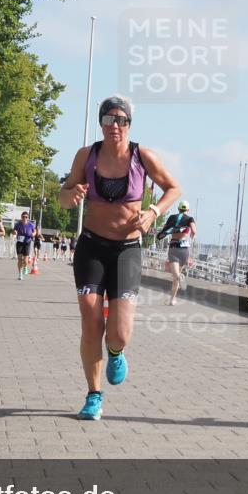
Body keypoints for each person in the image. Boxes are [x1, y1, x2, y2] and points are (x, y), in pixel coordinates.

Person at [58, 95, 181, 420]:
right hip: (91, 247)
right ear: (101, 123)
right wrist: (72, 195)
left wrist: (153, 211)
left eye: (121, 120)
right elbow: (63, 198)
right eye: (109, 119)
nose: (115, 126)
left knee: (120, 332)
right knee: (90, 321)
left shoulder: (143, 156)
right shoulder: (87, 156)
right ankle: (93, 395)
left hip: (127, 250)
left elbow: (174, 189)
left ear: (129, 124)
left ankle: (116, 351)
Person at [157, 200, 197, 305]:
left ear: (178, 209)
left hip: (174, 247)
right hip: (185, 250)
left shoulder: (172, 217)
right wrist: (193, 234)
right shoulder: (190, 219)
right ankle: (172, 299)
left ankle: (180, 277)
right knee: (176, 277)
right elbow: (194, 230)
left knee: (176, 275)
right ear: (188, 210)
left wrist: (162, 234)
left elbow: (165, 229)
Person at [12, 212, 36, 280]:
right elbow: (14, 231)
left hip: (27, 242)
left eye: (26, 217)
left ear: (28, 218)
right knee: (19, 258)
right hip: (19, 242)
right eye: (23, 217)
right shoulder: (18, 224)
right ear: (21, 217)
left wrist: (33, 234)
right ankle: (20, 274)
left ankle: (25, 266)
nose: (24, 218)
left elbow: (35, 231)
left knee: (25, 261)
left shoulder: (31, 225)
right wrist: (15, 232)